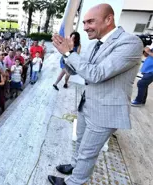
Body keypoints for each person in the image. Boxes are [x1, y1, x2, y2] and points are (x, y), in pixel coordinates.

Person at [49, 4, 143, 185]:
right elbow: (79, 70)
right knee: (80, 142)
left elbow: (96, 74)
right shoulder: (93, 45)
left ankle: (74, 181)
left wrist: (69, 53)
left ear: (109, 19)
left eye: (90, 21)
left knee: (88, 152)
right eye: (83, 22)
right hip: (87, 104)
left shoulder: (130, 43)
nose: (84, 27)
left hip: (105, 112)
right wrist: (68, 55)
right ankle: (75, 166)